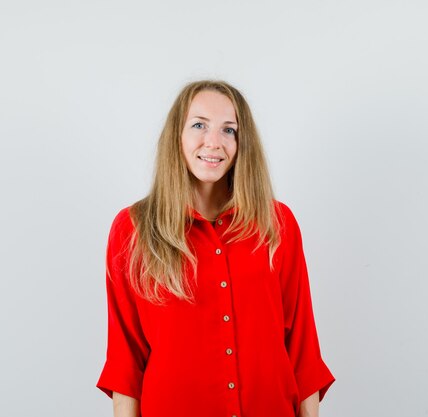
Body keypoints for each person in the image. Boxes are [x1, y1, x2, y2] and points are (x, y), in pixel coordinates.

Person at [96, 80, 335, 417]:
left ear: (242, 143)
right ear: (176, 137)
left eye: (229, 130)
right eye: (199, 125)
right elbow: (126, 360)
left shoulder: (277, 224)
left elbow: (302, 349)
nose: (214, 142)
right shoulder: (133, 229)